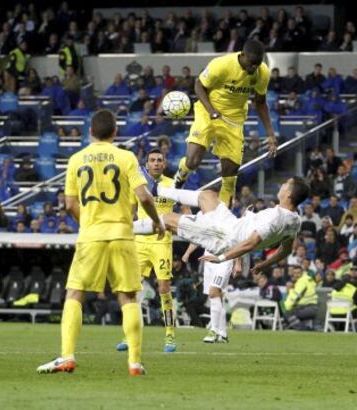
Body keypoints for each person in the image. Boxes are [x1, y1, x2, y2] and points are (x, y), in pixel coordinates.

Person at [36, 109, 165, 376]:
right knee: (128, 297)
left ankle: (67, 357)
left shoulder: (75, 159)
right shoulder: (126, 157)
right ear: (115, 132)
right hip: (122, 234)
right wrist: (157, 221)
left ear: (90, 132)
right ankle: (134, 362)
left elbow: (70, 204)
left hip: (91, 235)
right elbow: (144, 197)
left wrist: (90, 223)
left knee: (75, 294)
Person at [174, 39, 277, 208]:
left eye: (257, 65)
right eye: (251, 64)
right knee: (193, 160)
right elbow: (199, 85)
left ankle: (223, 215)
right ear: (242, 55)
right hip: (208, 111)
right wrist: (211, 109)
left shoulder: (262, 72)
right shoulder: (221, 64)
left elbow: (260, 103)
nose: (253, 68)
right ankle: (180, 176)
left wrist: (270, 134)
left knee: (230, 174)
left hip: (234, 119)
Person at [134, 177, 309, 276]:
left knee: (169, 219)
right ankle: (156, 189)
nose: (281, 185)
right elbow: (285, 250)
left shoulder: (275, 218)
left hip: (222, 236)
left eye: (284, 184)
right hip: (230, 224)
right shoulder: (295, 220)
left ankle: (124, 228)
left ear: (288, 194)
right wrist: (264, 265)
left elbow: (251, 244)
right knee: (207, 196)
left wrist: (222, 258)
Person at [116, 148, 187, 353]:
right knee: (132, 289)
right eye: (152, 160)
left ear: (164, 164)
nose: (156, 163)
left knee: (163, 288)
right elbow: (130, 212)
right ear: (147, 163)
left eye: (159, 160)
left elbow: (184, 212)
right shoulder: (138, 184)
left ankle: (170, 335)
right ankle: (130, 335)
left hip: (162, 242)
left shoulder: (171, 185)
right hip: (139, 242)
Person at [182, 243, 235, 343]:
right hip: (209, 260)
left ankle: (213, 331)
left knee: (213, 292)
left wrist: (238, 263)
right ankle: (222, 334)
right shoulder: (206, 227)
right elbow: (198, 237)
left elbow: (237, 241)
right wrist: (187, 252)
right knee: (217, 297)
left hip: (224, 259)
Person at [284, 265, 317, 330]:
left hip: (308, 308)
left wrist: (285, 308)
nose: (296, 275)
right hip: (311, 307)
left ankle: (304, 330)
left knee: (288, 313)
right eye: (295, 273)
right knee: (291, 312)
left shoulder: (302, 282)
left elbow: (294, 298)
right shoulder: (306, 279)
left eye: (298, 273)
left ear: (302, 272)